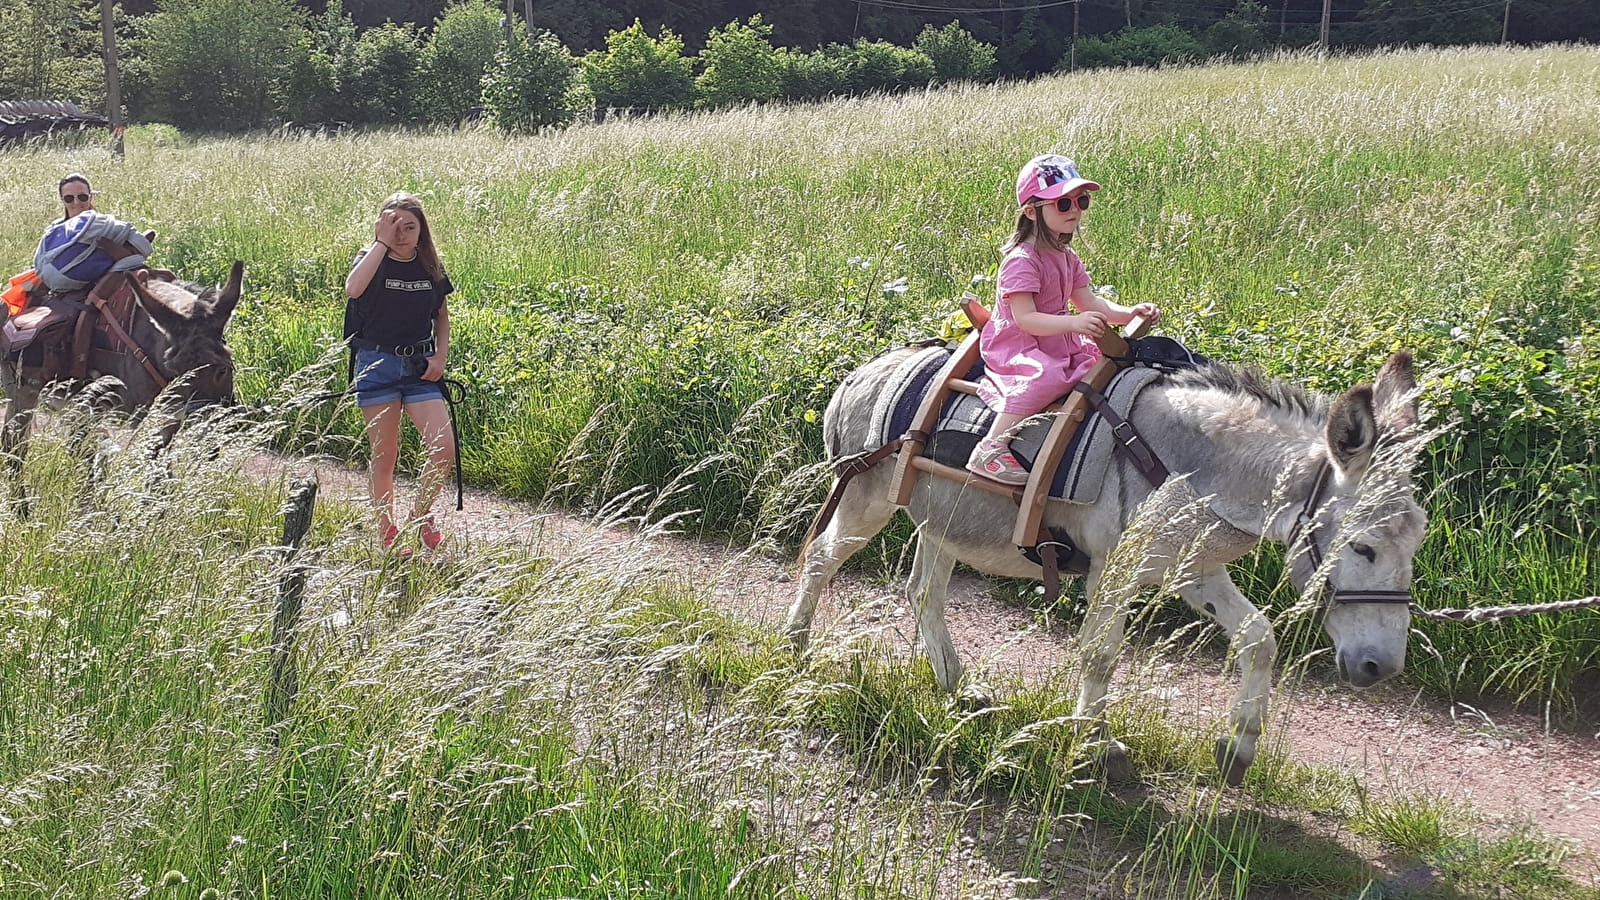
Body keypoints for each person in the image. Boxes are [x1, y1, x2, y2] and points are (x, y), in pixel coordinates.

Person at [966, 154, 1161, 486]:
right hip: (1019, 343)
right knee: (1045, 376)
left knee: (1099, 366)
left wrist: (1127, 312)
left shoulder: (1066, 257)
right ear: (1031, 211)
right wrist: (1073, 324)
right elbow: (1025, 319)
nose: (1075, 210)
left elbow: (1089, 302)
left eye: (1080, 201)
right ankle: (990, 447)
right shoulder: (1021, 261)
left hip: (1055, 337)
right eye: (1062, 203)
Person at [344, 191, 456, 553]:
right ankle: (386, 530)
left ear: (422, 229)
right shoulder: (370, 259)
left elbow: (441, 315)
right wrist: (380, 243)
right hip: (377, 364)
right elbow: (353, 289)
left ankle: (420, 515)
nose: (402, 233)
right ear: (380, 227)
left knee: (443, 450)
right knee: (385, 454)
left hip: (420, 366)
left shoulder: (430, 266)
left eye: (410, 226)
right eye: (394, 226)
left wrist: (440, 358)